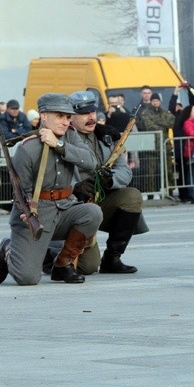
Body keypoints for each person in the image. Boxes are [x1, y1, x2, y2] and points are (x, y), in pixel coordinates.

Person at [0, 93, 103, 286]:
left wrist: (59, 145)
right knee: (27, 278)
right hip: (37, 214)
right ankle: (7, 249)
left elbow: (91, 162)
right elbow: (20, 190)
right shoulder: (28, 148)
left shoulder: (70, 137)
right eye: (59, 116)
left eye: (68, 117)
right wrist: (26, 213)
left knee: (92, 212)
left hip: (65, 208)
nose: (65, 122)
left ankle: (63, 265)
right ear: (43, 116)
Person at [60, 90, 147, 274]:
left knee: (132, 197)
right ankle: (46, 253)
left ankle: (113, 258)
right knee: (87, 267)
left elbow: (124, 170)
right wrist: (75, 188)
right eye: (84, 113)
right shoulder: (61, 141)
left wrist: (111, 180)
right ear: (71, 117)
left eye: (92, 112)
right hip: (73, 208)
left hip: (101, 202)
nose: (91, 117)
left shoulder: (107, 137)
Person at [140, 92, 176, 195]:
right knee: (150, 173)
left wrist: (156, 121)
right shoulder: (146, 112)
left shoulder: (165, 112)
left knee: (168, 171)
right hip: (151, 147)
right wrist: (162, 124)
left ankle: (170, 192)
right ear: (151, 102)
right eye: (154, 101)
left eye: (157, 101)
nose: (155, 103)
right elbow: (148, 126)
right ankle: (150, 193)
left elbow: (171, 122)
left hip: (164, 146)